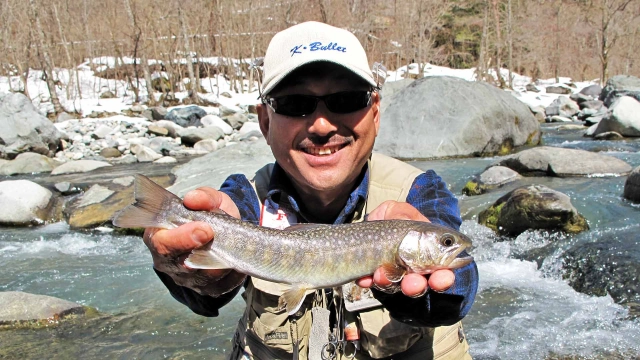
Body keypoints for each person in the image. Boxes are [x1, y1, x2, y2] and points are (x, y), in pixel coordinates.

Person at [144, 21, 478, 359]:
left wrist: (413, 295)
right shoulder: (245, 200)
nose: (322, 125)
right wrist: (191, 274)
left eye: (346, 100)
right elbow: (204, 297)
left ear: (375, 113)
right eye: (294, 103)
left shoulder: (421, 191)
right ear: (264, 122)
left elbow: (459, 291)